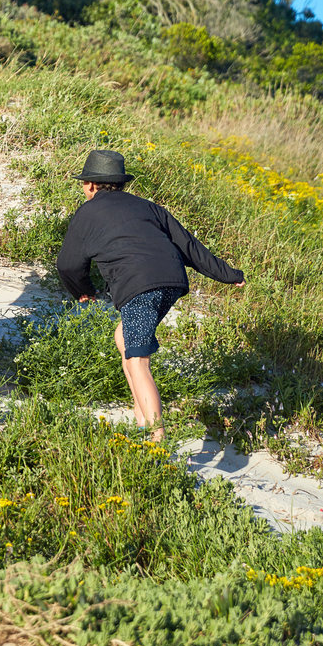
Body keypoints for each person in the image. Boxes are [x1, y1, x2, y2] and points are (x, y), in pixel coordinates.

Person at [56, 150, 245, 442]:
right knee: (123, 338)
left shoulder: (88, 212)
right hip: (171, 280)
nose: (83, 189)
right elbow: (190, 247)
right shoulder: (148, 207)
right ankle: (141, 418)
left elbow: (67, 264)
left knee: (137, 360)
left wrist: (83, 292)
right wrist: (229, 274)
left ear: (92, 185)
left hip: (139, 286)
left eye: (83, 183)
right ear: (120, 183)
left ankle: (156, 438)